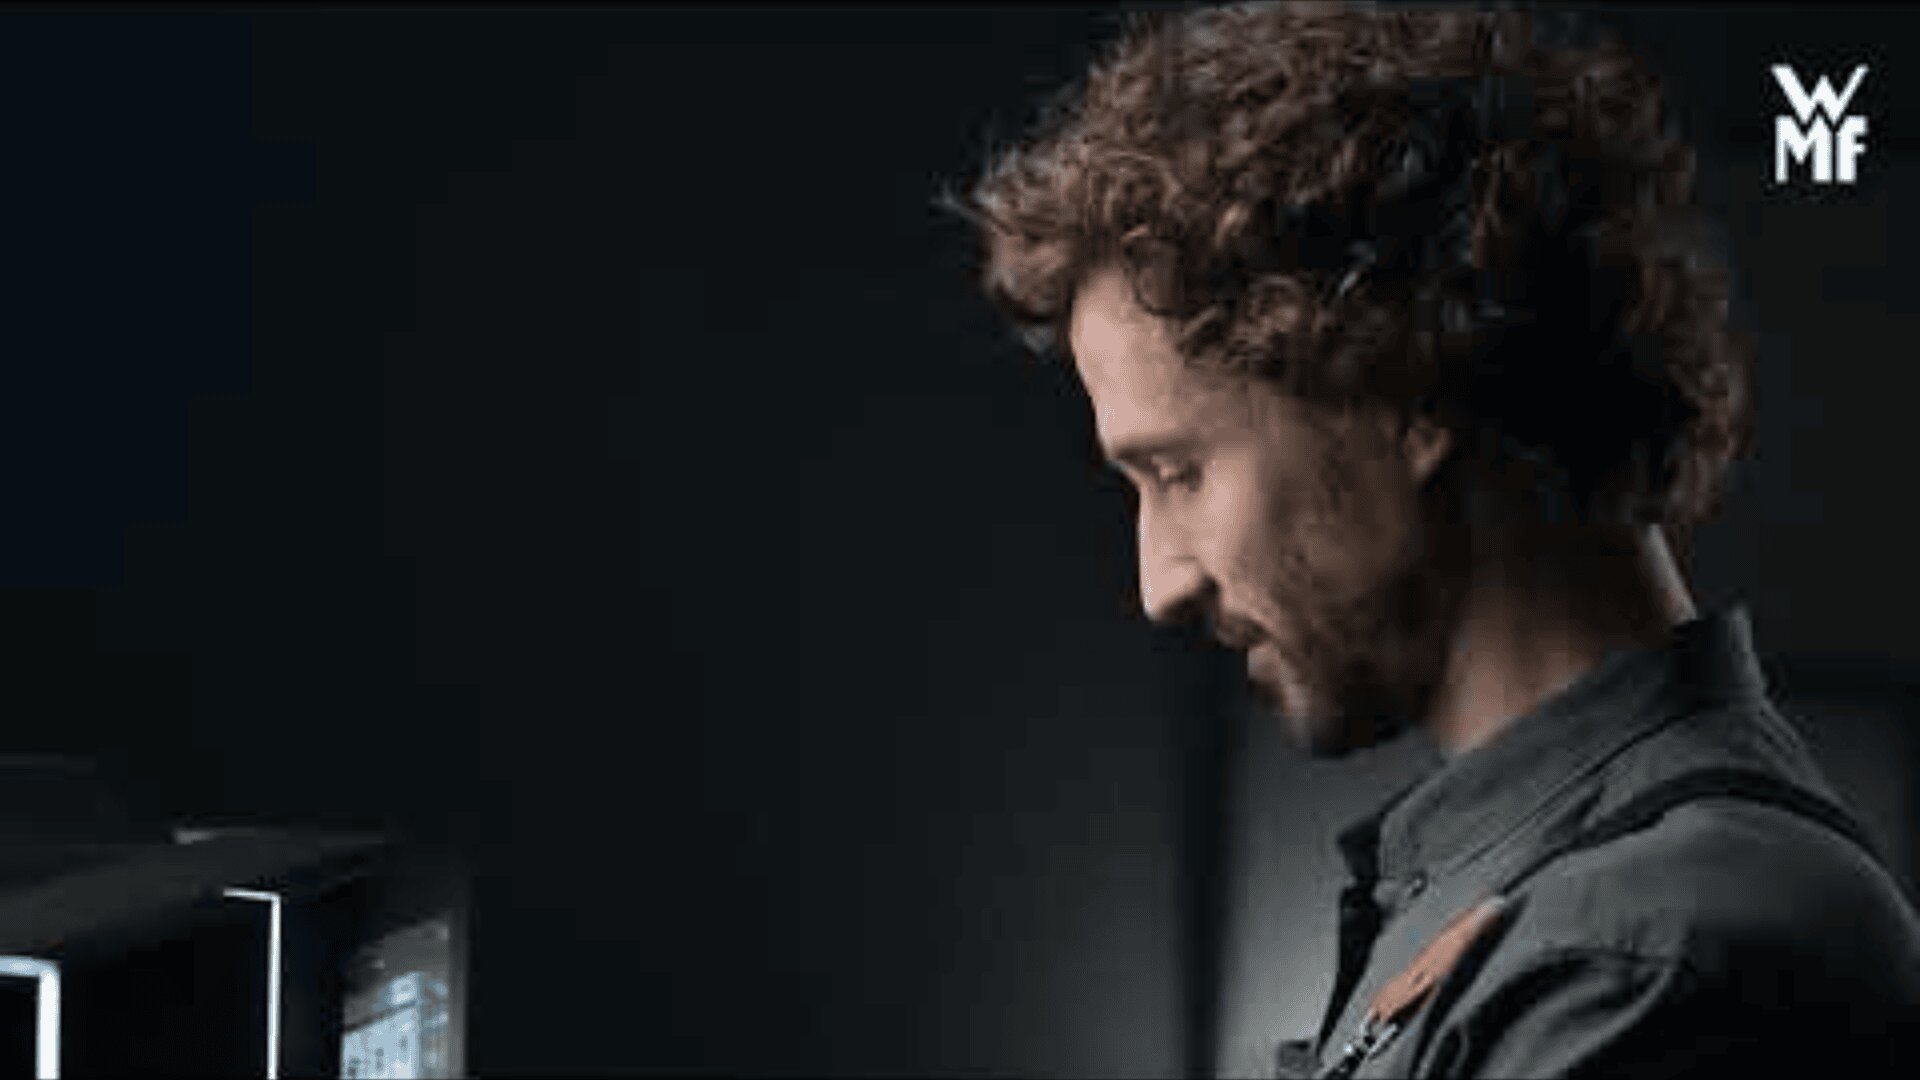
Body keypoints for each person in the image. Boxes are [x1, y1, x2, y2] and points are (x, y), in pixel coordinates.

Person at [948, 3, 1920, 1076]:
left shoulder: (1652, 956)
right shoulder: (1532, 908)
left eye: (1178, 471)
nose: (1160, 582)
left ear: (1400, 390)